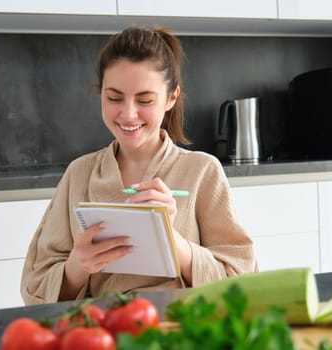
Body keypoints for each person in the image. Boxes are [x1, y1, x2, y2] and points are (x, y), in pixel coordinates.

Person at [20, 25, 258, 305]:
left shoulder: (202, 171)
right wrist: (78, 266)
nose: (128, 114)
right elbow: (34, 288)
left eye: (144, 100)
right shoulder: (79, 174)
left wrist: (172, 240)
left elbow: (242, 283)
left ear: (172, 98)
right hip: (102, 334)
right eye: (113, 98)